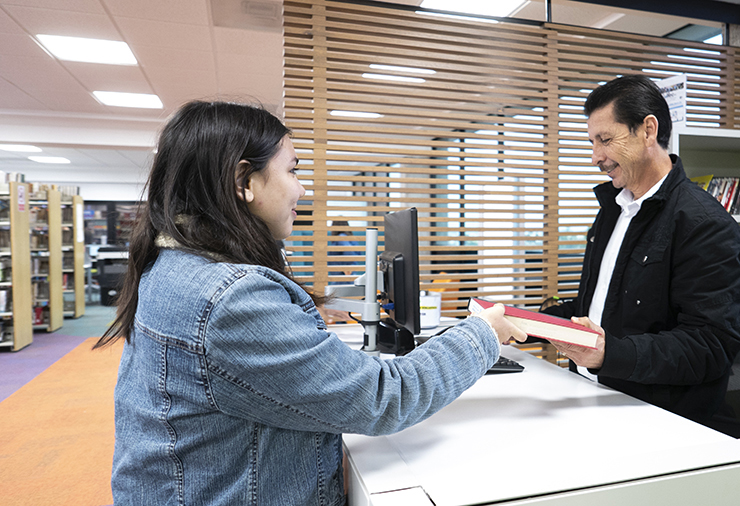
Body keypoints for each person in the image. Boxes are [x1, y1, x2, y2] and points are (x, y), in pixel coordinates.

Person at [93, 100, 527, 506]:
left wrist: (294, 318)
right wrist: (482, 334)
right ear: (244, 182)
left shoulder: (174, 261)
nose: (301, 190)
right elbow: (381, 398)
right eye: (293, 171)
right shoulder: (230, 299)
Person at [542, 75, 740, 427]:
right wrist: (532, 321)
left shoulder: (703, 224)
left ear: (648, 131)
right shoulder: (614, 210)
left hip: (657, 418)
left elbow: (711, 346)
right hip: (594, 397)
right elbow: (603, 305)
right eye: (593, 142)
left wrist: (609, 353)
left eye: (605, 140)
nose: (597, 157)